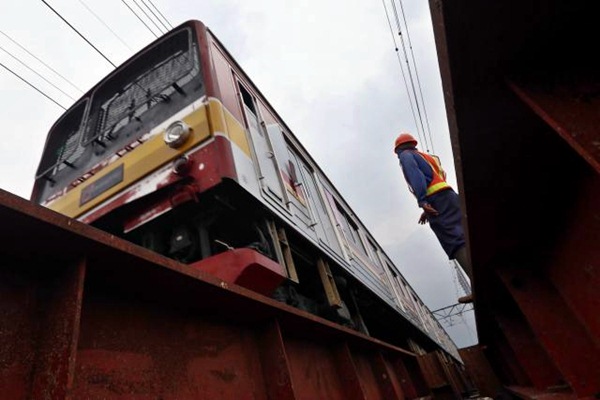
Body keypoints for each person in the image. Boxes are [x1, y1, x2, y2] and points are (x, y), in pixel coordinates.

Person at [393, 132, 473, 303]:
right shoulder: (427, 157)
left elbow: (417, 178)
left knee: (454, 240)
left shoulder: (406, 156)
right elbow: (439, 178)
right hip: (450, 197)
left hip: (438, 201)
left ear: (399, 149)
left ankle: (478, 286)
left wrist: (422, 201)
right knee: (466, 235)